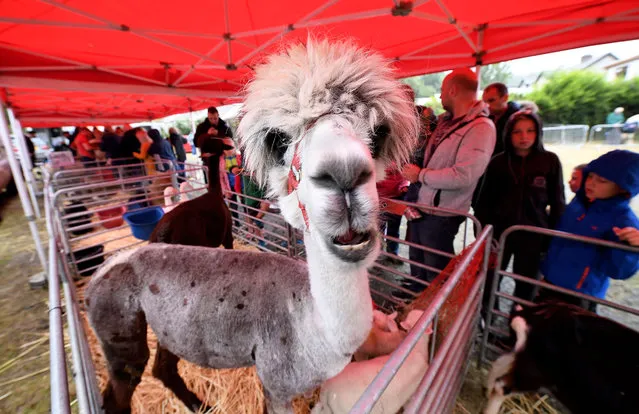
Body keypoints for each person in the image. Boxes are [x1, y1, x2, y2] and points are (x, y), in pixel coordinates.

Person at [401, 68, 495, 292]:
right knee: (419, 259)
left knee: (436, 267)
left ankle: (436, 314)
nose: (441, 96)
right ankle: (416, 300)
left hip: (443, 212)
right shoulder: (446, 122)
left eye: (443, 91)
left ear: (452, 90)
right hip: (423, 204)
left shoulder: (481, 128)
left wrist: (420, 175)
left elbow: (464, 175)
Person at [475, 110, 566, 314]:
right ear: (509, 134)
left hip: (534, 235)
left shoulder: (550, 161)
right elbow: (482, 200)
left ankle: (519, 325)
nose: (524, 137)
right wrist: (485, 234)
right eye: (517, 132)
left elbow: (558, 202)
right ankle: (488, 318)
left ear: (538, 133)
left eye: (530, 131)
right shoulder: (498, 162)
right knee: (490, 279)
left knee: (526, 283)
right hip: (499, 234)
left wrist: (551, 237)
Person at [539, 150, 639, 313]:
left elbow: (619, 271)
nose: (591, 183)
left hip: (579, 293)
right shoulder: (579, 204)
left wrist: (632, 248)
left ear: (622, 188)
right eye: (590, 176)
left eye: (602, 181)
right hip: (551, 280)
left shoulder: (624, 222)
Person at [482, 83, 521, 156]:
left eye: (491, 100)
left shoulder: (518, 120)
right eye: (484, 102)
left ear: (505, 98)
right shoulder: (486, 117)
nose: (486, 106)